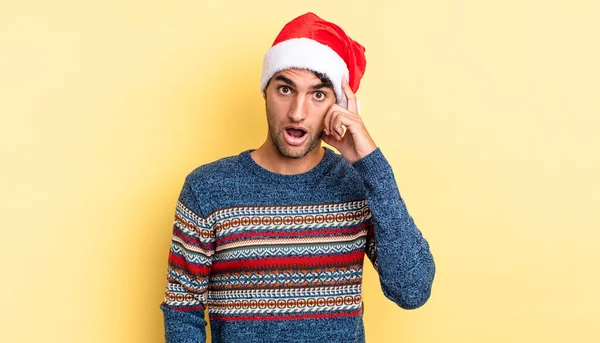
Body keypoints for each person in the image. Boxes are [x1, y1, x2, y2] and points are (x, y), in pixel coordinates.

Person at [160, 12, 435, 343]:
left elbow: (412, 290)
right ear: (265, 91)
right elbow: (182, 311)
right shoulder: (207, 189)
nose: (297, 112)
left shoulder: (360, 185)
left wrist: (372, 166)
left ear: (341, 105)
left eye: (318, 94)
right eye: (285, 89)